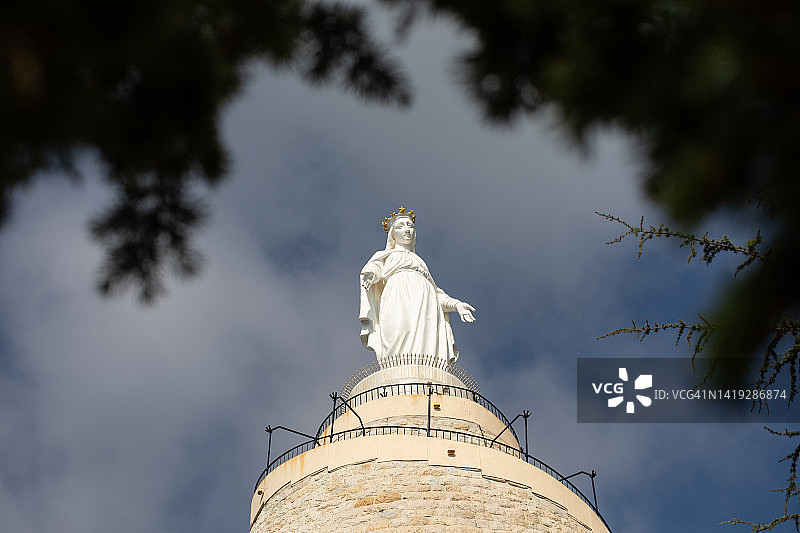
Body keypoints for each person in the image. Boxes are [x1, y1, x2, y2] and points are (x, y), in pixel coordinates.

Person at [359, 207, 476, 365]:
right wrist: (370, 274)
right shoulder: (385, 256)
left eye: (410, 226)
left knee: (426, 343)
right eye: (401, 227)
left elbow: (436, 294)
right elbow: (374, 269)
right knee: (397, 332)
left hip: (426, 304)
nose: (407, 230)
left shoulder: (420, 263)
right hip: (397, 297)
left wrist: (456, 305)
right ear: (392, 234)